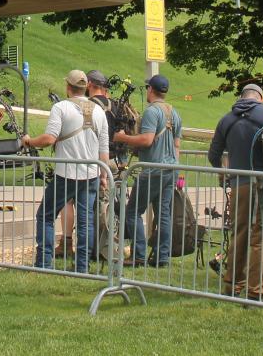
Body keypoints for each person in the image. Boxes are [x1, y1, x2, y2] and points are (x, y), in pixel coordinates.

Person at [24, 69, 111, 273]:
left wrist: (28, 141)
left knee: (45, 215)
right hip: (90, 174)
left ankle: (44, 262)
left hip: (66, 173)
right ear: (86, 87)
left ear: (68, 87)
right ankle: (82, 267)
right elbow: (103, 149)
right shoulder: (97, 110)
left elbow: (49, 139)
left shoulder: (61, 107)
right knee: (85, 222)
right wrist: (104, 176)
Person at [208, 83, 263, 301]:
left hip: (239, 185)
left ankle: (232, 285)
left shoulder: (227, 119)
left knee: (239, 234)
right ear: (260, 98)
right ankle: (256, 292)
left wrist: (224, 171)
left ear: (242, 97)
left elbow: (213, 154)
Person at [115, 74, 180, 266]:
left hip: (152, 169)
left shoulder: (152, 112)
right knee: (163, 214)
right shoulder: (173, 112)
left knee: (133, 212)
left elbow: (147, 140)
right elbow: (177, 145)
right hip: (171, 169)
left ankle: (139, 255)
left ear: (151, 90)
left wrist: (122, 138)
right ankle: (162, 257)